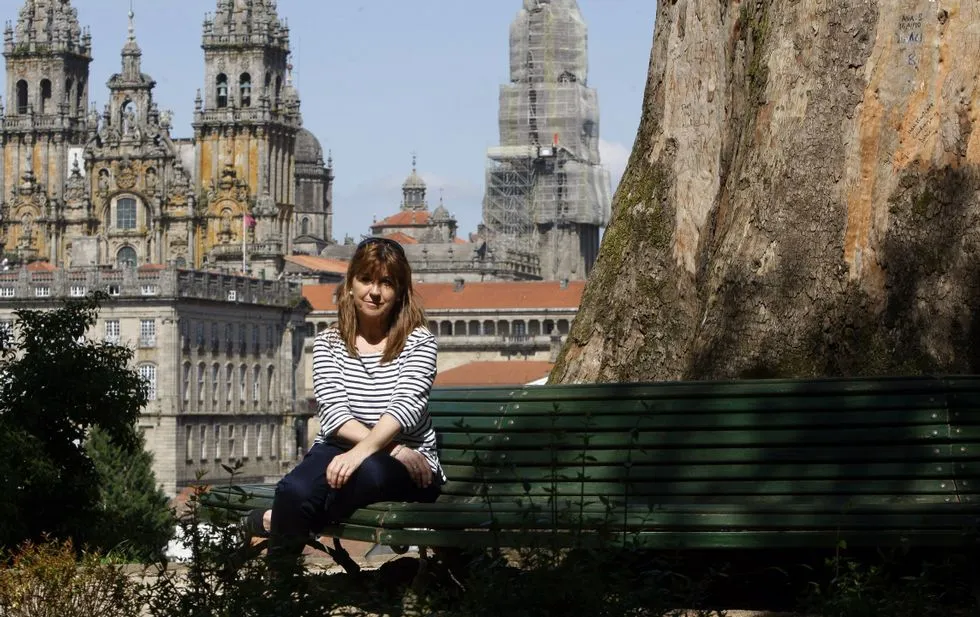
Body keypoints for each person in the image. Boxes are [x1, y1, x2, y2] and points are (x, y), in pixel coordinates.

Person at [245, 236, 444, 564]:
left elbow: (405, 408)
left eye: (386, 283)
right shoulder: (328, 343)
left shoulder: (419, 342)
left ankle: (272, 519)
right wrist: (387, 448)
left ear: (400, 292)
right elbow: (335, 415)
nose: (374, 292)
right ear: (350, 284)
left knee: (369, 474)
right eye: (366, 280)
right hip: (353, 447)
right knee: (291, 490)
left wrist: (365, 453)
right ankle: (279, 586)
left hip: (412, 468)